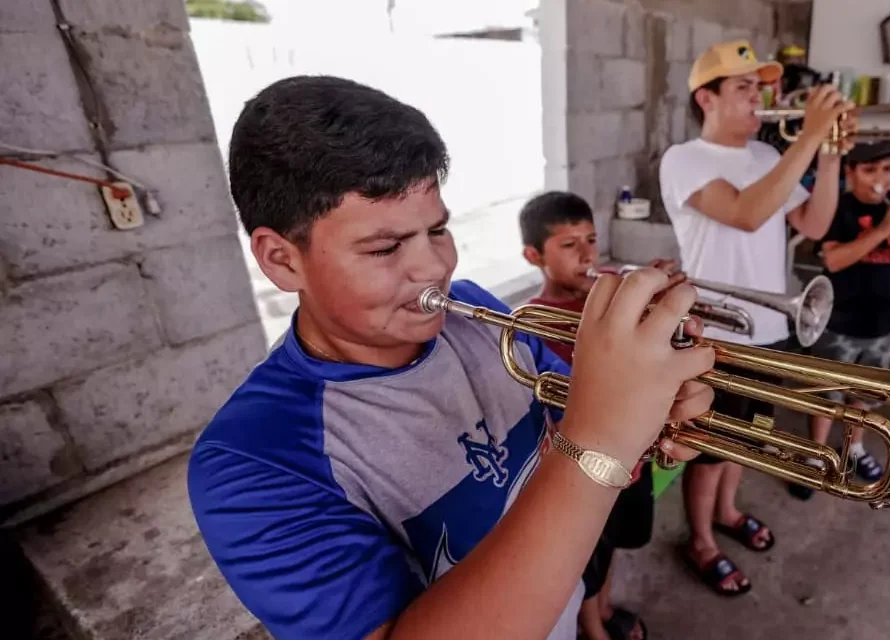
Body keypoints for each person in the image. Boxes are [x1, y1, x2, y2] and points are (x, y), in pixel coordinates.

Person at [186, 75, 715, 640]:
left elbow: (569, 426)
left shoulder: (470, 309)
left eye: (438, 229)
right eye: (385, 247)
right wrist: (603, 437)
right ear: (281, 260)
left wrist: (647, 419)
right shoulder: (251, 463)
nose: (434, 268)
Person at [657, 39, 852, 596]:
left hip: (773, 328)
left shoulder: (769, 158)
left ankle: (727, 511)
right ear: (706, 98)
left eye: (761, 88)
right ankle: (700, 539)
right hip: (715, 334)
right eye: (744, 87)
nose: (760, 98)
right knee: (710, 446)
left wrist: (832, 154)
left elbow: (814, 225)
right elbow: (745, 214)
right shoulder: (683, 159)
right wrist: (811, 135)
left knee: (751, 436)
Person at [518, 190, 676, 640]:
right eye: (569, 245)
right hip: (583, 468)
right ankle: (593, 628)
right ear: (534, 256)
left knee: (615, 548)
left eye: (590, 239)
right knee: (584, 557)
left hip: (634, 459)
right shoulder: (531, 321)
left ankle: (603, 609)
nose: (588, 254)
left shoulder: (610, 292)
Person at [786, 140, 890, 501]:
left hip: (883, 324)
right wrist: (883, 230)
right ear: (849, 172)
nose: (880, 179)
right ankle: (815, 456)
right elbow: (834, 261)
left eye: (886, 169)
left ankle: (854, 449)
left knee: (864, 399)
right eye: (869, 170)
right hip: (839, 322)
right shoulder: (837, 207)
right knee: (827, 397)